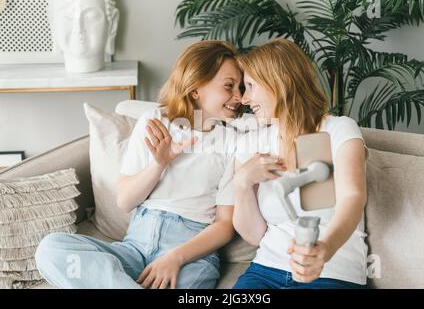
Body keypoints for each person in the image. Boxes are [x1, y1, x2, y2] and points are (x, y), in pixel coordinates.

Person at [35, 40, 243, 289]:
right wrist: (159, 163)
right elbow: (124, 201)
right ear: (196, 87)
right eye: (229, 86)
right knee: (52, 249)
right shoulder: (155, 121)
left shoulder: (233, 141)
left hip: (190, 256)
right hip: (133, 249)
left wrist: (174, 258)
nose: (239, 97)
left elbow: (224, 226)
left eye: (240, 87)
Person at [232, 38, 368, 289]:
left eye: (250, 85)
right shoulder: (252, 143)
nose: (244, 98)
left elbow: (354, 198)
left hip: (331, 271)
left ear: (278, 82)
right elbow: (253, 235)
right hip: (265, 270)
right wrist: (241, 183)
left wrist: (323, 250)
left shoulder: (337, 130)